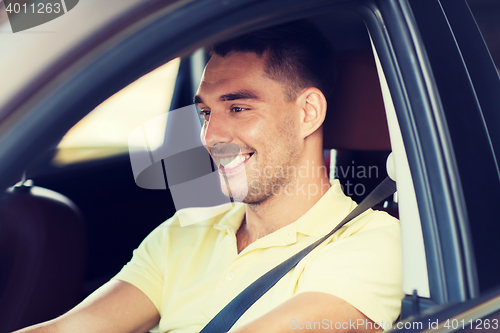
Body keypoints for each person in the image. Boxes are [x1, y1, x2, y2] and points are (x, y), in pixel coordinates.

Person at [14, 20, 403, 333]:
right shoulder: (183, 232)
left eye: (238, 108)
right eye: (206, 113)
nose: (210, 136)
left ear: (307, 113)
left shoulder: (370, 243)